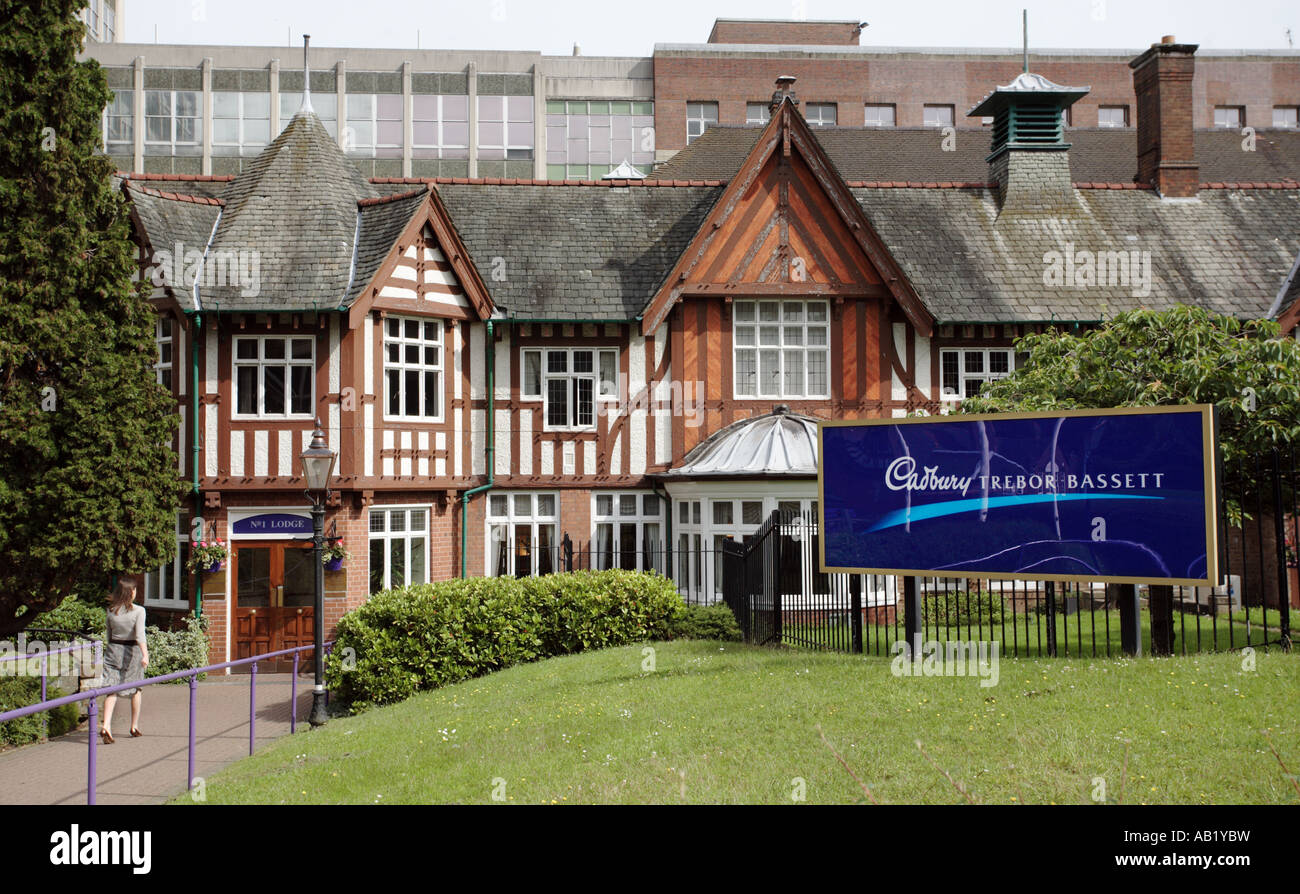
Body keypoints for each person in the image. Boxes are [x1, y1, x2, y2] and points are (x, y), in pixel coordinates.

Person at [100, 575, 149, 744]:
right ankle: (134, 726)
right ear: (131, 592)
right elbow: (139, 635)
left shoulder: (111, 611)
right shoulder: (139, 611)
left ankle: (106, 725)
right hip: (132, 652)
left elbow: (108, 634)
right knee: (136, 689)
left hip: (113, 650)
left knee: (111, 690)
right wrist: (145, 654)